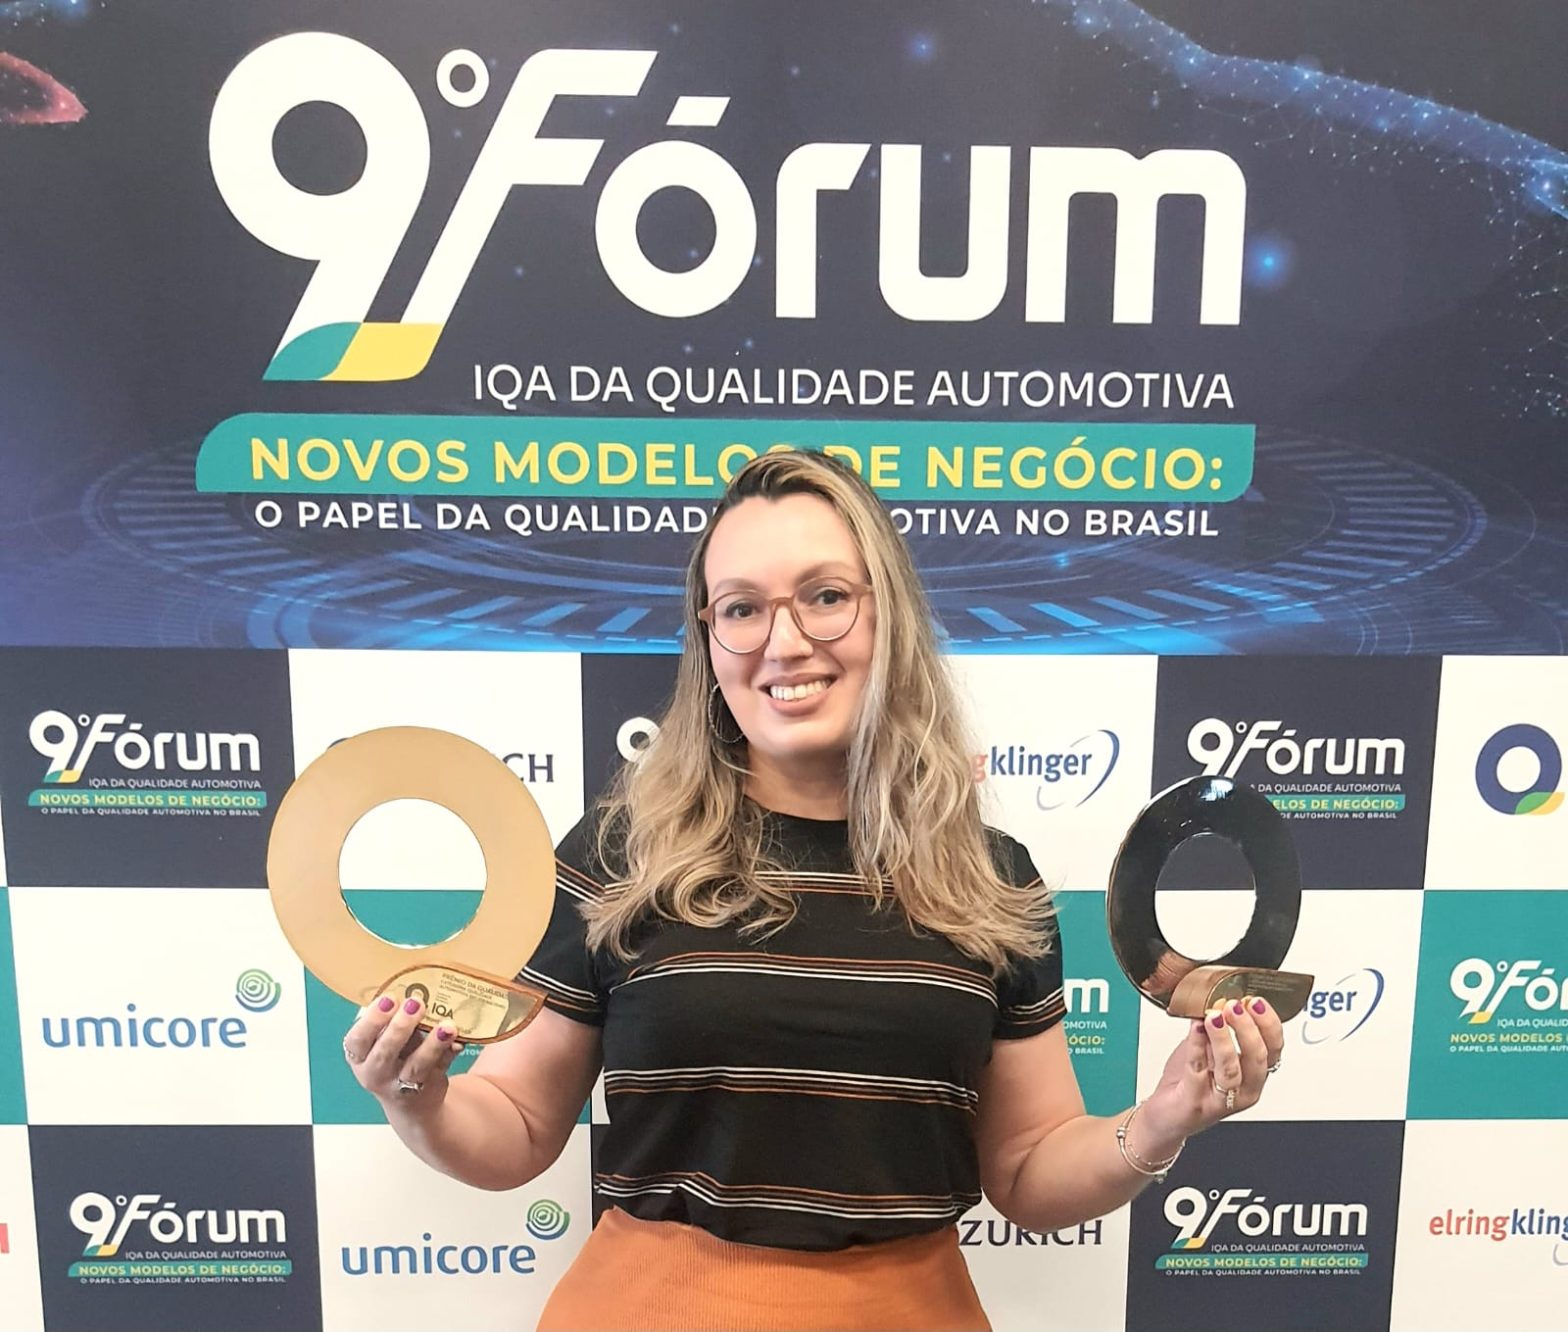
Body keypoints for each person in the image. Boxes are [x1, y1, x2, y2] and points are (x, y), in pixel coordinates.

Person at [339, 450, 1285, 1331]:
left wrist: (1160, 1121)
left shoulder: (992, 878)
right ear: (708, 638)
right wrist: (417, 1098)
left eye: (825, 597)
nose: (782, 642)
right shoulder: (622, 854)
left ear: (888, 615)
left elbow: (1030, 1170)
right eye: (740, 609)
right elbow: (516, 1126)